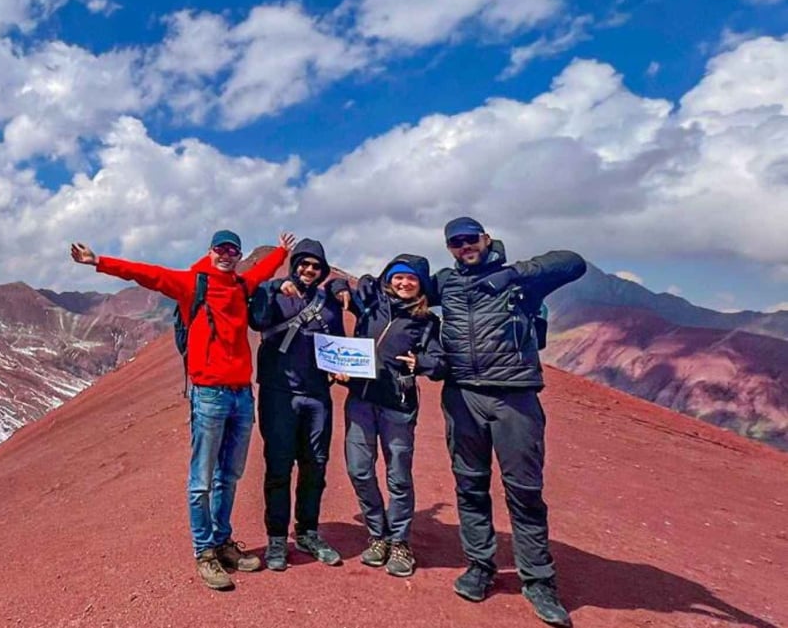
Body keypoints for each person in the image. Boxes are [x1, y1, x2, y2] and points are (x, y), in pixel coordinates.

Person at [70, 229, 290, 590]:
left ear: (239, 255)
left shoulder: (240, 285)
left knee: (230, 476)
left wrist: (281, 251)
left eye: (233, 250)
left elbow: (262, 272)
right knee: (201, 479)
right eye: (221, 248)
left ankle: (222, 544)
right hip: (209, 395)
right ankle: (204, 552)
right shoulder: (192, 283)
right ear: (210, 251)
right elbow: (147, 273)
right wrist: (99, 261)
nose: (227, 254)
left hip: (240, 395)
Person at [423, 216, 585, 628]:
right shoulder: (446, 283)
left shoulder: (521, 281)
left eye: (470, 239)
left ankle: (539, 581)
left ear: (486, 239)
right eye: (456, 242)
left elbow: (573, 262)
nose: (464, 247)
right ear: (449, 248)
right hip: (461, 397)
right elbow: (400, 286)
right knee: (470, 486)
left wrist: (512, 273)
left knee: (525, 492)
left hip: (515, 398)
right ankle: (480, 566)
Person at [327, 255, 441, 578]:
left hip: (398, 406)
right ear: (388, 279)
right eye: (398, 277)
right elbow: (336, 284)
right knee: (359, 470)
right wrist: (339, 289)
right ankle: (378, 534)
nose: (404, 283)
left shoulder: (428, 321)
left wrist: (420, 363)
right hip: (361, 402)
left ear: (421, 285)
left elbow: (439, 361)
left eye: (411, 279)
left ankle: (400, 542)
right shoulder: (370, 305)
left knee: (398, 477)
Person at [247, 238, 345, 572]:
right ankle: (277, 537)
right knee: (278, 466)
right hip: (279, 393)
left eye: (316, 266)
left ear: (322, 271)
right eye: (303, 264)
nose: (309, 270)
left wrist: (342, 368)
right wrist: (273, 286)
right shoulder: (275, 293)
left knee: (315, 465)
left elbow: (339, 344)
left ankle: (308, 532)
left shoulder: (329, 303)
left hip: (317, 395)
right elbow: (256, 319)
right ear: (294, 265)